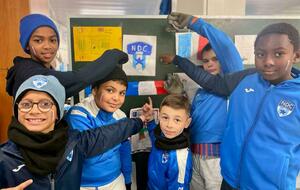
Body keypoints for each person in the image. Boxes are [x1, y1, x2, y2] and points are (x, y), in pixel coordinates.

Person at [167, 12, 300, 189]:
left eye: (278, 54)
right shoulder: (245, 79)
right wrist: (180, 57)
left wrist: (195, 23)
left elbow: (225, 47)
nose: (268, 61)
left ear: (296, 56)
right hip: (229, 179)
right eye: (260, 54)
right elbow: (209, 81)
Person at [0, 75, 152, 189]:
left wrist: (142, 119)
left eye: (45, 104)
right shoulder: (4, 159)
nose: (34, 111)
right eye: (26, 104)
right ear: (17, 110)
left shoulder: (74, 143)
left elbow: (112, 133)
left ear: (58, 111)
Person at [162, 13, 244, 190]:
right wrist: (179, 97)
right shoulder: (199, 91)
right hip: (194, 156)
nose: (209, 64)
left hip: (217, 161)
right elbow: (191, 121)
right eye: (206, 61)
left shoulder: (233, 84)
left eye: (215, 59)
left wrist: (194, 23)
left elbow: (225, 46)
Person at [6, 13, 128, 98]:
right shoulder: (27, 72)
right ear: (27, 45)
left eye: (53, 40)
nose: (47, 46)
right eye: (38, 40)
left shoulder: (46, 71)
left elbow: (70, 88)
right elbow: (80, 78)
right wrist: (113, 55)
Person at [65, 66, 132, 189]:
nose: (116, 98)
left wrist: (127, 179)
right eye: (110, 90)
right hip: (85, 185)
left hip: (116, 181)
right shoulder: (79, 114)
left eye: (122, 93)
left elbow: (124, 150)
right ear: (94, 90)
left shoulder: (120, 115)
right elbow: (90, 151)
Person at [144, 94, 192, 190]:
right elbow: (154, 134)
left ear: (186, 123)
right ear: (159, 116)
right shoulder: (160, 137)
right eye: (165, 118)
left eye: (177, 120)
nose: (169, 125)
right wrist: (150, 120)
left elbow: (179, 187)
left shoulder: (180, 157)